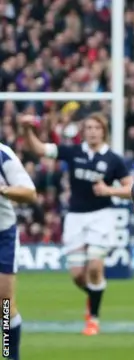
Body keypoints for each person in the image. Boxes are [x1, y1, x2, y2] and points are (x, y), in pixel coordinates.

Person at [19, 112, 133, 336]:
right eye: (88, 127)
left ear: (104, 131)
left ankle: (94, 319)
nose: (92, 131)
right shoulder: (73, 152)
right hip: (75, 217)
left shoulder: (113, 159)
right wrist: (26, 131)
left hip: (102, 216)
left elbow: (131, 188)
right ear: (84, 131)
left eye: (96, 128)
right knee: (78, 276)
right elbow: (41, 149)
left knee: (94, 268)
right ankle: (94, 295)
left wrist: (109, 190)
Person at [0, 142, 37, 360]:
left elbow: (29, 193)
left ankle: (10, 355)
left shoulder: (3, 154)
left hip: (2, 233)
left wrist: (3, 189)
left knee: (4, 302)